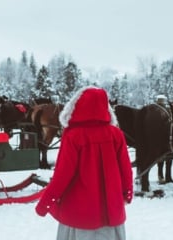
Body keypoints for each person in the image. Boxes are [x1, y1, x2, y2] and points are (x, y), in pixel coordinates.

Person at [35, 86, 133, 240]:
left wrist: (45, 203)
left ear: (77, 106)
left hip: (79, 215)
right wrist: (127, 193)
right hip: (111, 212)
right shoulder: (116, 134)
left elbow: (63, 175)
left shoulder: (73, 136)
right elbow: (126, 169)